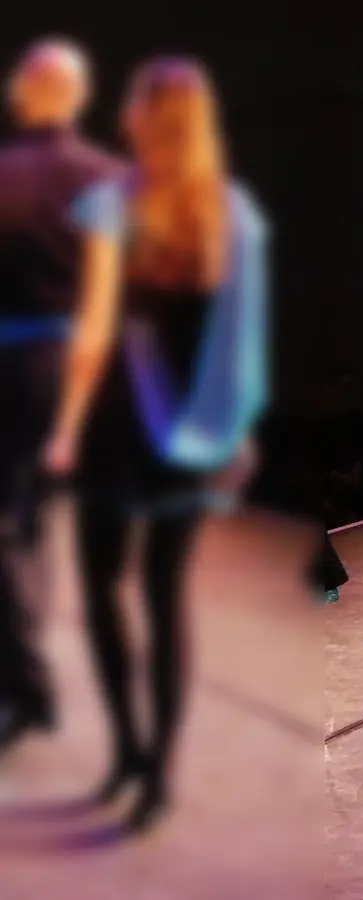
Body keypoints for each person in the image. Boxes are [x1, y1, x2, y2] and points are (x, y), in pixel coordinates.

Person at [40, 56, 267, 832]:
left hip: (115, 418)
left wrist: (65, 428)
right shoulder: (224, 212)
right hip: (190, 425)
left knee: (104, 588)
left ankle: (130, 753)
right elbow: (238, 337)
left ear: (139, 120)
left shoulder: (114, 202)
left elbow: (96, 330)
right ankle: (156, 771)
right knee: (165, 597)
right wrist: (235, 432)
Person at [0, 39, 120, 758]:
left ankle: (25, 682)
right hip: (63, 368)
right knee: (30, 531)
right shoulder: (101, 181)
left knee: (16, 536)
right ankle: (30, 681)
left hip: (16, 366)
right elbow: (101, 312)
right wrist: (77, 417)